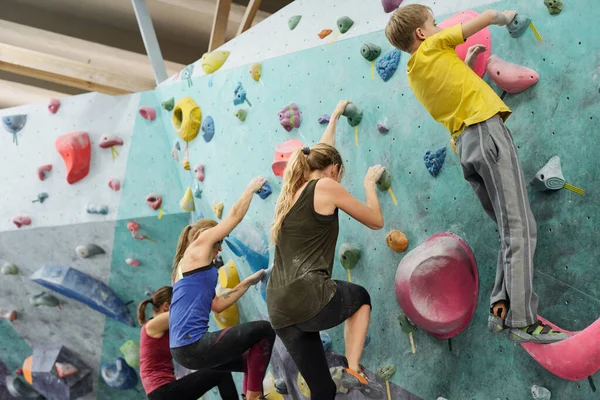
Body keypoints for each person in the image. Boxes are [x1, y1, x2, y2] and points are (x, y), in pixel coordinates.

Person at [385, 5, 567, 343]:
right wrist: (501, 15)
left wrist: (467, 63)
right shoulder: (432, 46)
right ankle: (522, 321)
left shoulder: (415, 72)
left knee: (507, 228)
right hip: (485, 132)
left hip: (467, 145)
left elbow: (452, 91)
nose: (438, 27)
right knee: (520, 227)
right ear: (422, 34)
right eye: (434, 23)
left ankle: (501, 308)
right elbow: (475, 23)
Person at [267, 100, 386, 400]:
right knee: (360, 298)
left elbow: (322, 153)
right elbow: (375, 220)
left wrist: (334, 117)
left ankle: (347, 374)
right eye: (339, 173)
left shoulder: (290, 193)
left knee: (322, 390)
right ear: (333, 170)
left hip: (279, 309)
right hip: (309, 298)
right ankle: (354, 368)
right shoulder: (327, 187)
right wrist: (369, 183)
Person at [169, 177, 276, 400]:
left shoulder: (192, 267)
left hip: (184, 351)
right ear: (207, 235)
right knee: (265, 330)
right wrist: (250, 188)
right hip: (192, 345)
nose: (219, 248)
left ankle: (250, 396)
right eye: (219, 242)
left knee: (251, 358)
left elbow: (217, 305)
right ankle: (255, 397)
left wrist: (248, 282)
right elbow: (235, 216)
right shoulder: (199, 245)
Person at [137, 286, 238, 400]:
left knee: (219, 369)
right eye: (176, 305)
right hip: (162, 392)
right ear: (166, 306)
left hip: (163, 391)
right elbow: (186, 312)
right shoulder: (152, 325)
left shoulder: (166, 330)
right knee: (220, 372)